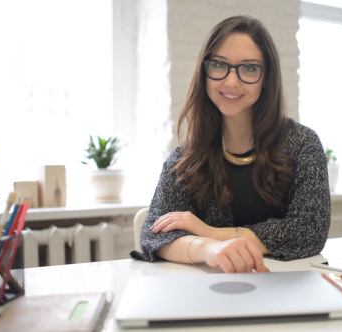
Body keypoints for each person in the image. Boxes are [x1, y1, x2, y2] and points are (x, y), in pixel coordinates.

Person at [131, 15, 330, 273]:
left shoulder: (303, 144)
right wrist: (208, 248)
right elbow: (153, 236)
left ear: (266, 78)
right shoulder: (186, 158)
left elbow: (309, 231)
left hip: (288, 291)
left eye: (249, 68)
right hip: (212, 294)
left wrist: (210, 232)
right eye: (219, 65)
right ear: (205, 72)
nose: (231, 81)